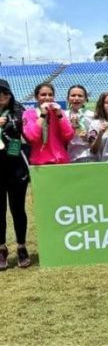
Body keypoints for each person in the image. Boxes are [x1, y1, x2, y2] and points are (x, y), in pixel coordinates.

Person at [0, 79, 31, 269]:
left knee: (18, 209)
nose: (2, 96)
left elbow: (28, 137)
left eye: (5, 92)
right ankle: (1, 249)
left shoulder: (19, 111)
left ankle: (21, 246)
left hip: (16, 167)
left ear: (10, 94)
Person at [22, 83, 74, 165]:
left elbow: (69, 135)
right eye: (43, 95)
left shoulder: (59, 113)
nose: (47, 98)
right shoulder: (29, 114)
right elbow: (32, 137)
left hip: (61, 161)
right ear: (36, 97)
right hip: (40, 163)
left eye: (50, 95)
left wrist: (59, 115)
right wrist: (42, 115)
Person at [65, 85, 96, 163]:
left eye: (80, 96)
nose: (76, 98)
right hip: (69, 158)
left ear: (85, 99)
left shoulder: (92, 116)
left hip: (89, 156)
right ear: (68, 98)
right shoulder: (63, 116)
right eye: (73, 95)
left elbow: (96, 139)